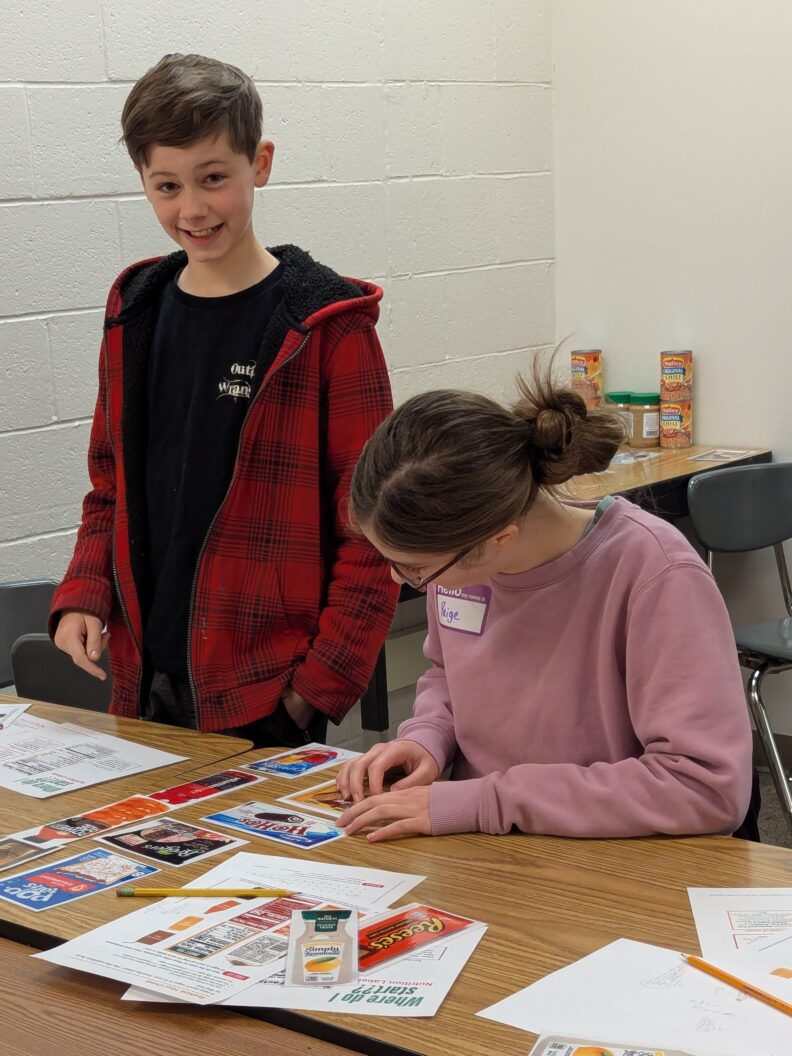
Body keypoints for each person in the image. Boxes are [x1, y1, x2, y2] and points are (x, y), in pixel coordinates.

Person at [49, 53, 398, 747]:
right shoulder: (134, 310)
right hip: (141, 683)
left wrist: (313, 691)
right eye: (167, 186)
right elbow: (109, 485)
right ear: (144, 182)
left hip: (266, 697)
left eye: (213, 178)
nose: (193, 209)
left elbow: (375, 526)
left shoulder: (330, 326)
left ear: (259, 164)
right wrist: (85, 593)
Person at [336, 369, 754, 841]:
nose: (398, 578)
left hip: (614, 854)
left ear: (498, 539)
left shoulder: (655, 572)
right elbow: (450, 675)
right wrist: (427, 737)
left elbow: (705, 789)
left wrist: (487, 802)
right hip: (488, 841)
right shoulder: (462, 559)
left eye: (415, 568)